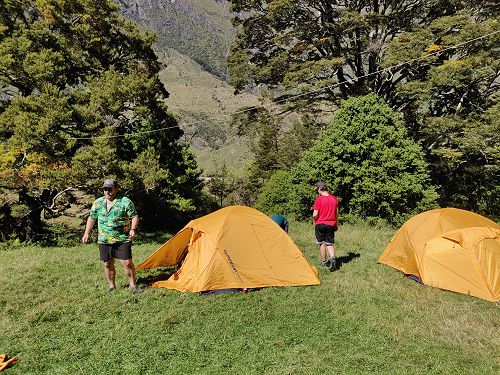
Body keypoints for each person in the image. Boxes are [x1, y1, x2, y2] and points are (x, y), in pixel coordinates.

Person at [82, 179, 143, 293]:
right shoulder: (98, 202)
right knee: (107, 263)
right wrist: (86, 233)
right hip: (104, 239)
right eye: (105, 189)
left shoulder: (125, 201)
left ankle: (133, 285)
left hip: (122, 238)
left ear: (116, 189)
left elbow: (134, 216)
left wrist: (133, 229)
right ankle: (111, 286)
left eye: (110, 189)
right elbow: (92, 218)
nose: (107, 192)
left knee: (127, 262)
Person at [312, 181, 339, 271]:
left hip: (320, 224)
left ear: (320, 189)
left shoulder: (319, 199)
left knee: (322, 243)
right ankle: (333, 258)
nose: (317, 192)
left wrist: (315, 220)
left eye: (317, 190)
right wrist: (336, 224)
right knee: (330, 243)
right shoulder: (334, 199)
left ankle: (324, 263)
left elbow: (315, 214)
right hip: (331, 224)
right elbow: (336, 213)